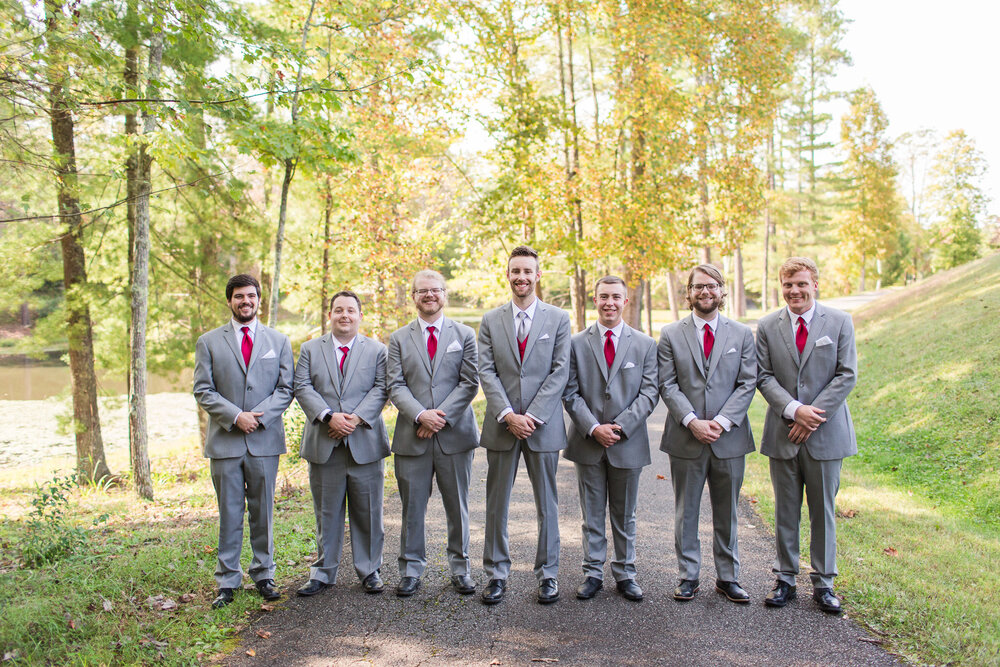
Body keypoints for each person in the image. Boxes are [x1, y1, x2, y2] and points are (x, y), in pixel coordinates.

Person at [756, 257, 858, 614]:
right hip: (783, 431)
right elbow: (764, 376)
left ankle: (824, 583)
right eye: (787, 284)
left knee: (823, 510)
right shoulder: (768, 325)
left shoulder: (840, 322)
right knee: (786, 509)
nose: (794, 291)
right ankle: (785, 579)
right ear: (780, 287)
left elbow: (846, 375)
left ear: (816, 284)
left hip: (826, 434)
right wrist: (792, 410)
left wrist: (810, 415)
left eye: (801, 283)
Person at [657, 264, 757, 604]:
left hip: (729, 438)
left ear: (722, 291)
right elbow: (667, 384)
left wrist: (723, 421)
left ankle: (728, 577)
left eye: (712, 286)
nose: (705, 292)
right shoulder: (671, 334)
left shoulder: (742, 334)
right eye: (698, 287)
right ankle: (688, 575)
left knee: (727, 510)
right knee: (686, 510)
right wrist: (691, 420)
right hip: (686, 437)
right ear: (688, 293)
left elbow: (747, 383)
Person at [193, 274, 294, 609]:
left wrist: (258, 416)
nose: (245, 301)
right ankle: (227, 580)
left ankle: (264, 573)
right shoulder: (209, 342)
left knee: (262, 512)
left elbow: (285, 389)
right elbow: (203, 390)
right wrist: (236, 416)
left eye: (251, 296)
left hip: (264, 441)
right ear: (229, 301)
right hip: (226, 441)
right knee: (230, 513)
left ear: (259, 300)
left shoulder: (278, 341)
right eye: (239, 296)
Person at [478, 246, 571, 605]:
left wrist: (531, 416)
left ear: (538, 275)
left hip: (542, 426)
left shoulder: (558, 319)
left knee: (547, 503)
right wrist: (507, 414)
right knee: (496, 503)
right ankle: (496, 574)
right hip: (502, 425)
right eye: (515, 271)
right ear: (508, 275)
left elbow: (560, 370)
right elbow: (485, 370)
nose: (521, 277)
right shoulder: (490, 320)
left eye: (527, 271)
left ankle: (548, 575)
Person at [562, 276, 658, 602]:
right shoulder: (575, 343)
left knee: (625, 514)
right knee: (591, 514)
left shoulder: (645, 344)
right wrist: (593, 427)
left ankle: (626, 573)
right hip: (587, 441)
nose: (609, 303)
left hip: (627, 442)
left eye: (616, 297)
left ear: (625, 301)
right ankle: (591, 572)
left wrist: (618, 426)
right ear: (594, 300)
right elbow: (570, 392)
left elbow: (649, 393)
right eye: (603, 297)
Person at [386, 270, 480, 597]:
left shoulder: (465, 335)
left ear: (444, 294)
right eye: (422, 291)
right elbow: (395, 385)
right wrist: (420, 415)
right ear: (413, 296)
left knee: (458, 505)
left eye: (435, 290)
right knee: (412, 506)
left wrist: (439, 417)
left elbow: (470, 382)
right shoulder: (398, 339)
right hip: (412, 437)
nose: (429, 295)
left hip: (455, 435)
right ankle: (411, 569)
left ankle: (461, 568)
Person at [293, 291, 390, 596]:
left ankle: (370, 570)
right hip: (325, 441)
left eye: (350, 310)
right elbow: (302, 385)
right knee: (327, 512)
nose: (344, 315)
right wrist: (327, 416)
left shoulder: (377, 351)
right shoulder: (310, 349)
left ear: (360, 316)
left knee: (368, 511)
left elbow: (382, 388)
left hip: (365, 442)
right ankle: (323, 573)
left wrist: (355, 419)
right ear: (330, 315)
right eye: (338, 310)